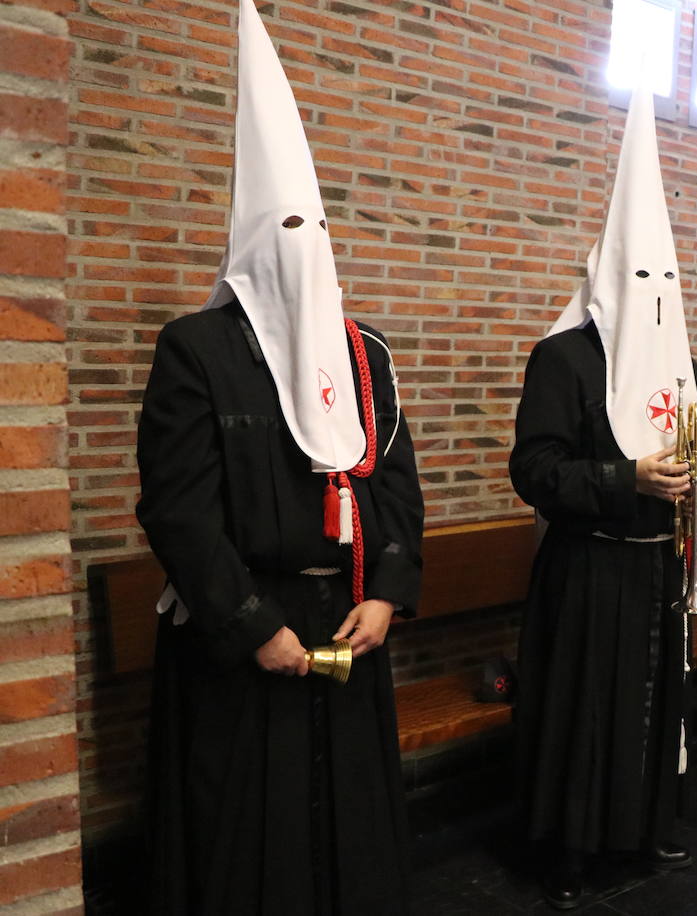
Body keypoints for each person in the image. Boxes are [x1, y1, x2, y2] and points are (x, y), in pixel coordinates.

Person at [136, 3, 423, 913]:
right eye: (287, 234)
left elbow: (398, 486)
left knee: (351, 835)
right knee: (247, 841)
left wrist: (387, 593)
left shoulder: (365, 355)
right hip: (245, 636)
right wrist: (254, 624)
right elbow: (179, 511)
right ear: (255, 246)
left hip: (347, 626)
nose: (308, 257)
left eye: (319, 234)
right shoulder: (197, 350)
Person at [509, 84, 697, 911]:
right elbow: (532, 469)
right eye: (640, 273)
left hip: (659, 575)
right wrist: (623, 479)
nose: (652, 288)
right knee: (584, 714)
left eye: (664, 274)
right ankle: (569, 853)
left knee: (654, 709)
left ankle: (645, 828)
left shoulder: (688, 370)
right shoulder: (563, 359)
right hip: (589, 570)